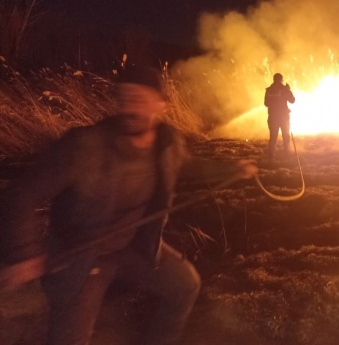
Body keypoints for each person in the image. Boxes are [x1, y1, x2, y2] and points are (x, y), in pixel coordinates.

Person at [0, 65, 258, 345]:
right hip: (83, 258)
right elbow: (22, 194)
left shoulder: (168, 143)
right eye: (125, 98)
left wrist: (234, 168)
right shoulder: (83, 146)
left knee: (186, 285)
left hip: (136, 246)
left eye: (141, 98)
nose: (131, 106)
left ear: (161, 104)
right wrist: (24, 254)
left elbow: (190, 166)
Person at [264, 72, 295, 158]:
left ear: (273, 79)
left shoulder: (269, 90)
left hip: (272, 117)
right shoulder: (284, 89)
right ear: (281, 80)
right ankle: (287, 154)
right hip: (283, 117)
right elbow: (292, 100)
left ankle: (271, 156)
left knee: (273, 137)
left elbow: (266, 103)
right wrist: (288, 90)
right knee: (285, 135)